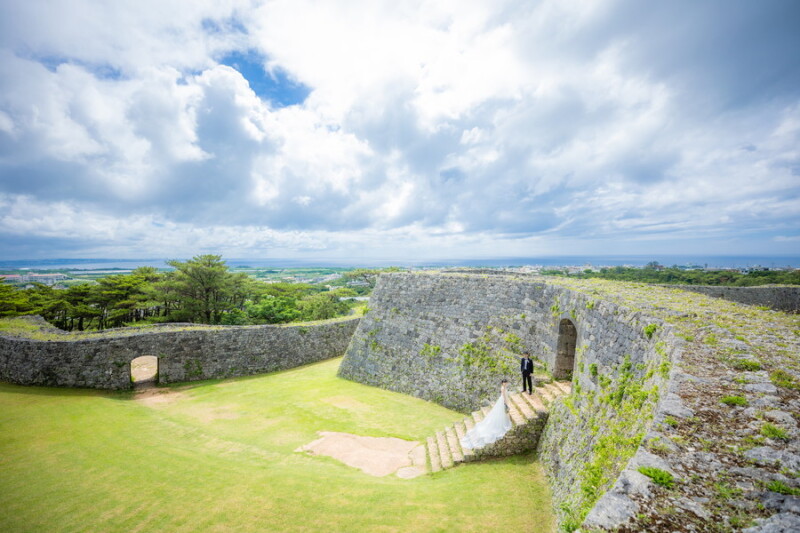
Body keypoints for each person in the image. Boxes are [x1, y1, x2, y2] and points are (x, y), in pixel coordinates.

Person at [460, 380, 512, 450]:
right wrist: (506, 403)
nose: (506, 384)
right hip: (502, 401)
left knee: (502, 413)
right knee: (502, 412)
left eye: (506, 383)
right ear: (503, 383)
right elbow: (504, 396)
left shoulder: (503, 388)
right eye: (505, 383)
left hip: (502, 401)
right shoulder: (503, 388)